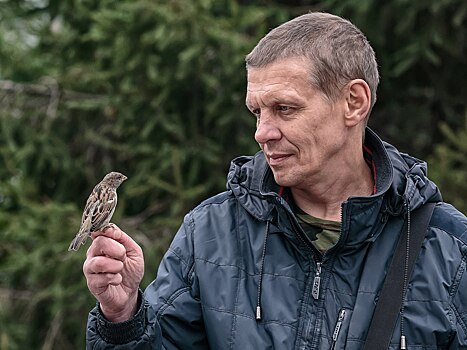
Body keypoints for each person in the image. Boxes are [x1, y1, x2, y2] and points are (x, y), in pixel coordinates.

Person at [83, 12, 467, 349]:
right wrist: (123, 319)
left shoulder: (449, 250)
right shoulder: (211, 234)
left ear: (354, 102)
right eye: (257, 112)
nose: (262, 132)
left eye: (284, 109)